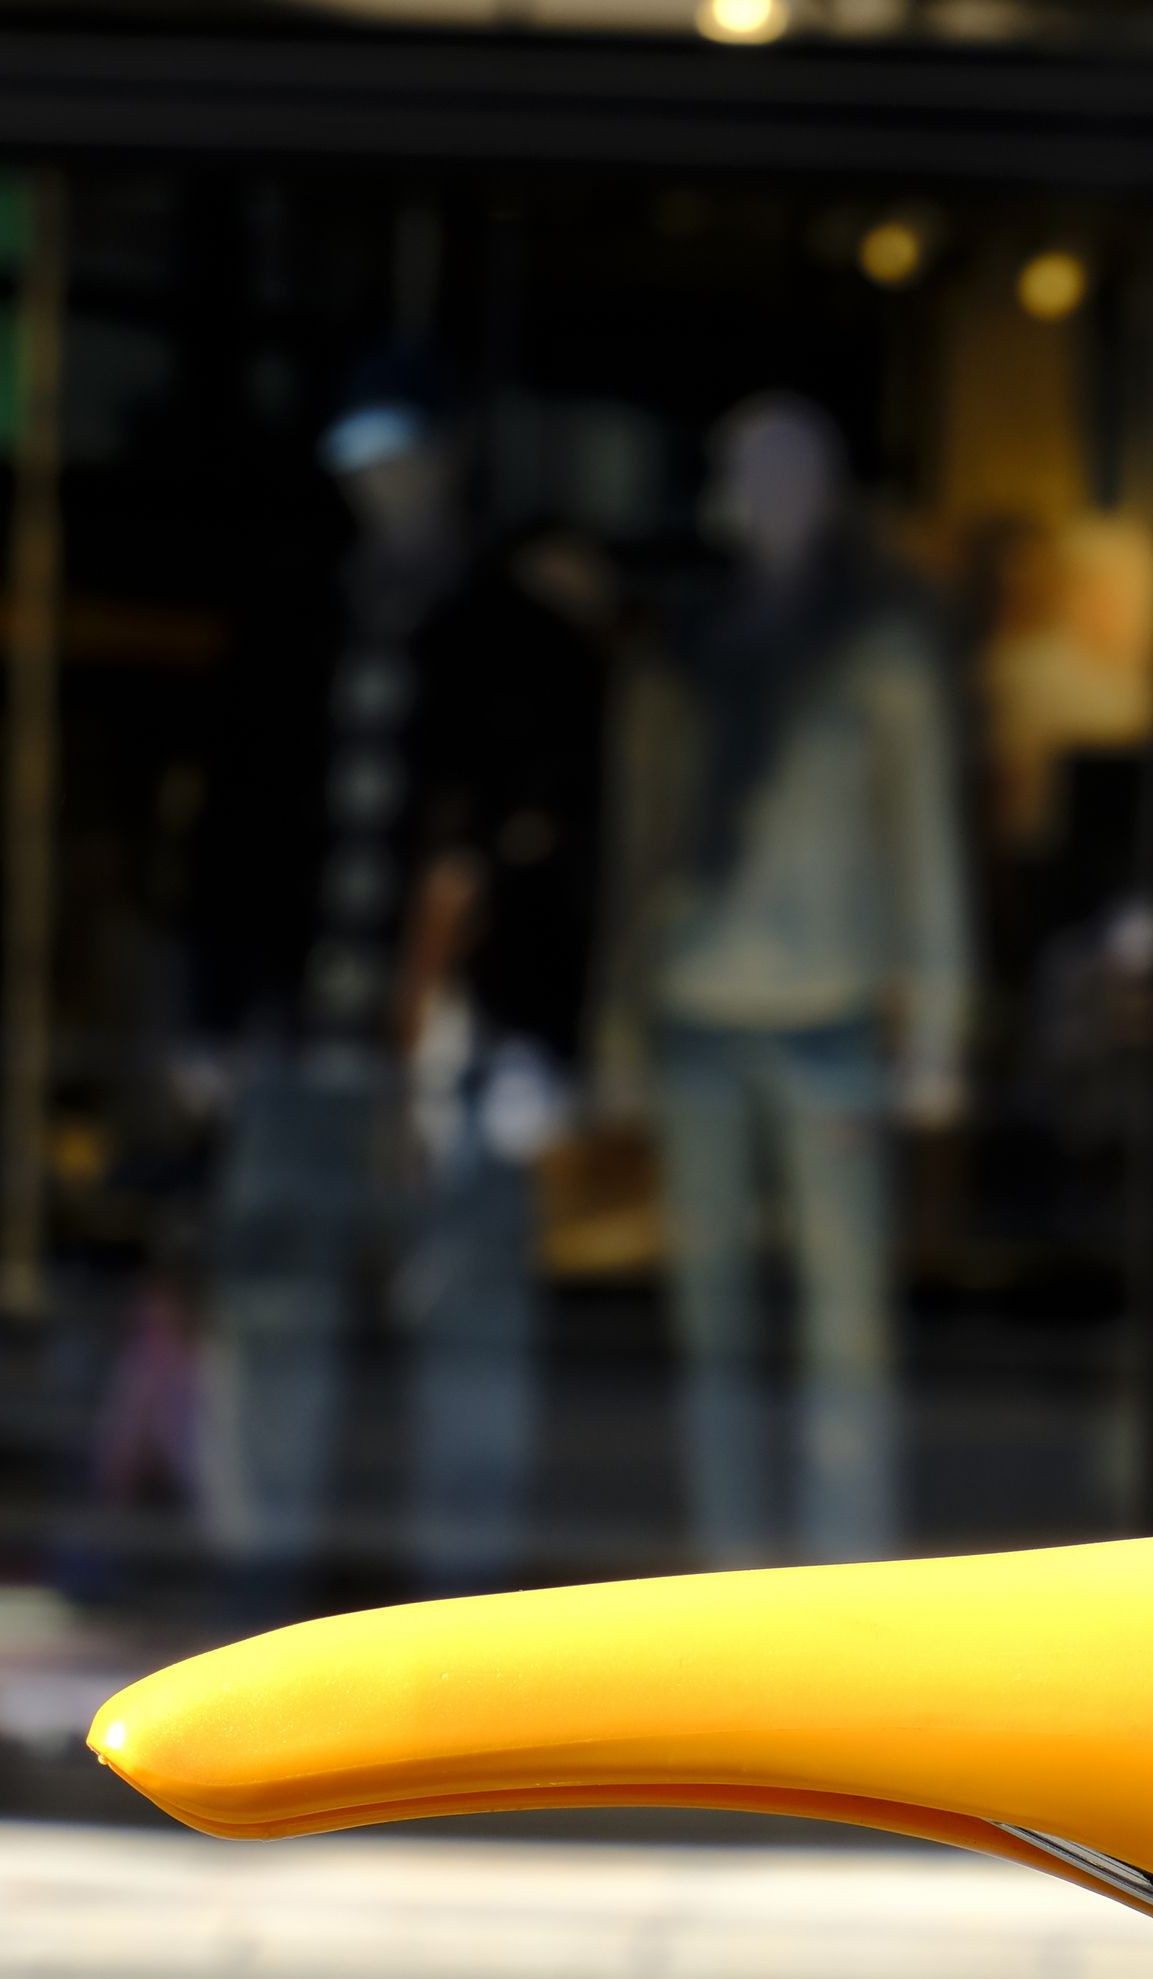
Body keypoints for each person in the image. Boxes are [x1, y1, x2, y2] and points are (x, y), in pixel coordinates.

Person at [187, 350, 604, 1611]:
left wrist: (547, 1038)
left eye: (409, 459)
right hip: (301, 1031)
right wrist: (213, 1013)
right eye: (367, 465)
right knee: (275, 1321)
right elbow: (226, 836)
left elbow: (567, 859)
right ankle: (259, 1588)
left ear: (450, 459)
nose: (389, 486)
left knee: (469, 1329)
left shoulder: (528, 640)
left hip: (465, 1043)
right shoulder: (290, 625)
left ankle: (461, 1607)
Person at [644, 395, 970, 1562]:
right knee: (712, 1324)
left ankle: (848, 1574)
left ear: (830, 493)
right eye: (751, 471)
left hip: (829, 1016)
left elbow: (924, 844)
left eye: (795, 472)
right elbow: (640, 836)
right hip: (694, 1011)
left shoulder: (879, 649)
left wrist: (937, 1027)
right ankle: (725, 1575)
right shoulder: (687, 646)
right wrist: (611, 1024)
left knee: (846, 1328)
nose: (772, 496)